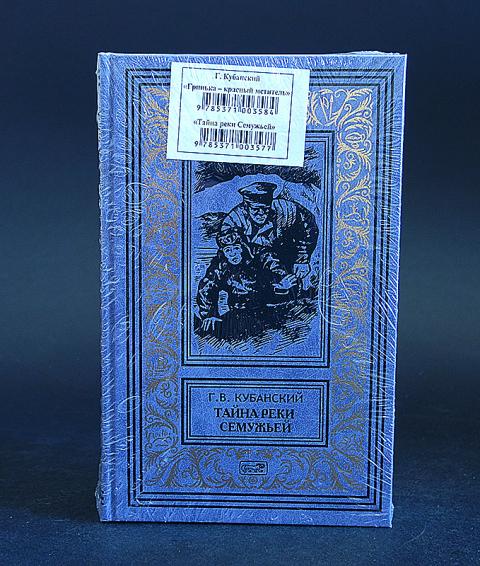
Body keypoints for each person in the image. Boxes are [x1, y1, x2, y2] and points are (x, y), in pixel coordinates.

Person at [195, 227, 296, 339]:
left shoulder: (259, 253)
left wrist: (281, 283)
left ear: (242, 247)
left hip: (268, 306)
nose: (232, 254)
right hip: (239, 311)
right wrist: (209, 314)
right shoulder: (220, 264)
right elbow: (206, 288)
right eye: (228, 250)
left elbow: (275, 265)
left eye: (236, 248)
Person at [221, 181, 319, 281]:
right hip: (253, 263)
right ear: (246, 207)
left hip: (286, 252)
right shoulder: (233, 221)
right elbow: (231, 255)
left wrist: (302, 259)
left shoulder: (285, 209)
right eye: (255, 209)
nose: (261, 213)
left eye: (265, 208)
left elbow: (308, 227)